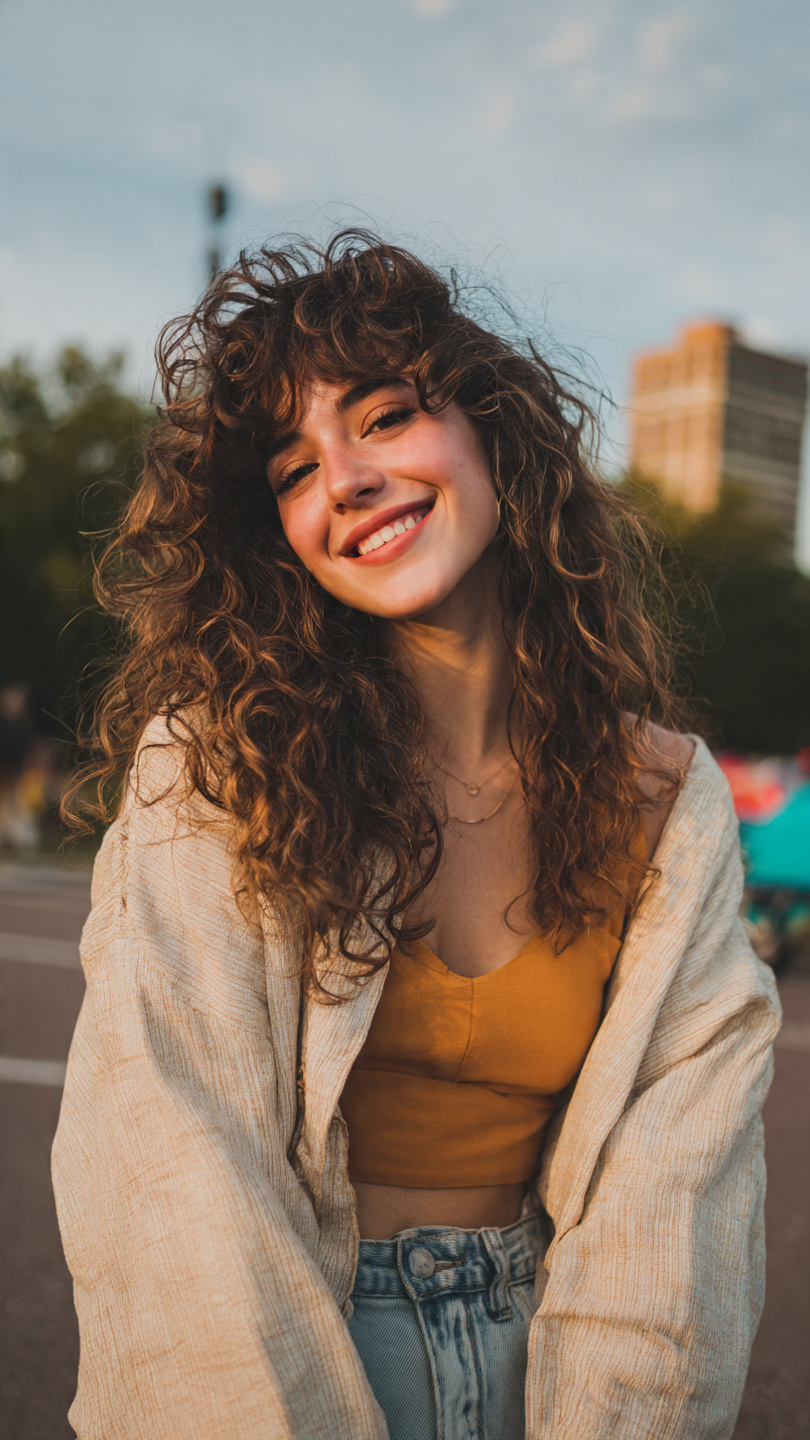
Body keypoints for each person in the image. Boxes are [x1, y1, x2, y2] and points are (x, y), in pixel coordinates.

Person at [53, 233, 780, 1440]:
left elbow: (679, 1208)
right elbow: (173, 1164)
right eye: (291, 470)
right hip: (298, 1356)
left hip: (554, 1368)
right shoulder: (222, 764)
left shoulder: (666, 795)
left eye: (385, 419)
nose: (341, 479)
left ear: (498, 433)